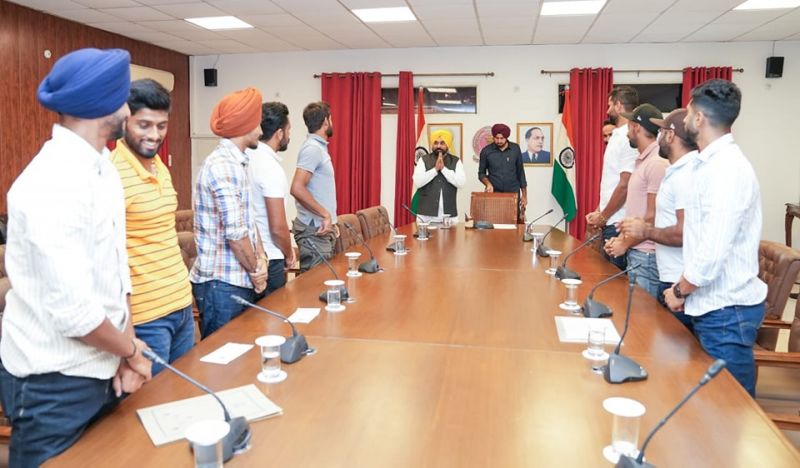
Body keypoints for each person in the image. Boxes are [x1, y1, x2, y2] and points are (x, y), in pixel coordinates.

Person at [0, 48, 152, 467]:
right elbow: (75, 314)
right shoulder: (50, 184)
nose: (126, 107)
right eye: (122, 97)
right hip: (53, 384)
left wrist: (127, 347)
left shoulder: (102, 167)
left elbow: (116, 274)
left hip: (103, 365)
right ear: (105, 104)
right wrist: (131, 352)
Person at [664, 79, 766, 397]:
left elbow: (712, 251)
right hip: (714, 306)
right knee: (710, 408)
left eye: (688, 113)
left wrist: (680, 290)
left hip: (726, 313)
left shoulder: (726, 170)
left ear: (699, 119)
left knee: (728, 407)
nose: (683, 121)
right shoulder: (708, 164)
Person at [110, 79, 194, 375]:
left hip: (182, 304)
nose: (154, 135)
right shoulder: (112, 174)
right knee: (151, 409)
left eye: (161, 126)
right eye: (144, 125)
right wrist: (126, 337)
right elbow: (110, 262)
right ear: (124, 121)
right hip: (147, 318)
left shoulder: (160, 166)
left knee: (182, 398)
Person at [191, 87, 268, 339]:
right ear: (246, 125)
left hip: (237, 279)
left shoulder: (238, 162)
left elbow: (248, 220)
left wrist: (261, 259)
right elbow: (235, 234)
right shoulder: (223, 166)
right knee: (221, 367)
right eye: (257, 122)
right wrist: (257, 272)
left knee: (241, 359)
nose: (261, 129)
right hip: (222, 285)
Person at [617, 108, 698, 330]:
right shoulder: (677, 170)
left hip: (679, 279)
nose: (658, 135)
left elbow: (683, 232)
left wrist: (643, 231)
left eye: (661, 131)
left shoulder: (684, 174)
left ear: (670, 135)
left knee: (659, 340)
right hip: (671, 274)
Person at [604, 104, 668, 299]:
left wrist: (624, 244)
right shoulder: (642, 161)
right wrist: (622, 239)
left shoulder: (656, 163)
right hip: (637, 251)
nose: (626, 132)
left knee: (643, 323)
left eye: (629, 126)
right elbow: (637, 213)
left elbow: (652, 217)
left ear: (636, 128)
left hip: (647, 256)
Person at [586, 86, 640, 269]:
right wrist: (599, 211)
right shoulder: (617, 136)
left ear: (618, 106)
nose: (607, 110)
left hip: (618, 222)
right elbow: (612, 182)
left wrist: (604, 216)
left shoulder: (627, 138)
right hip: (611, 219)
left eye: (610, 105)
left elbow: (625, 185)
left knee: (616, 284)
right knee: (607, 280)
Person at [248, 102, 296, 295]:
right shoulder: (270, 167)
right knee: (273, 322)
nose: (289, 135)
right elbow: (277, 227)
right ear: (279, 133)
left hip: (250, 257)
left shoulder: (246, 157)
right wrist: (289, 252)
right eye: (289, 130)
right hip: (270, 257)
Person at [290, 101, 338, 272]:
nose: (332, 122)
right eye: (331, 119)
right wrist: (325, 214)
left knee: (322, 286)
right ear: (326, 121)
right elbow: (297, 188)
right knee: (314, 289)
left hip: (320, 230)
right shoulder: (312, 149)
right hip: (314, 231)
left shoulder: (318, 148)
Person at [413, 129, 466, 223]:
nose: (438, 146)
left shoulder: (456, 161)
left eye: (442, 143)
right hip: (425, 216)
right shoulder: (423, 160)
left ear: (448, 145)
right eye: (436, 143)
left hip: (449, 216)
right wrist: (435, 170)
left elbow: (461, 183)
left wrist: (444, 169)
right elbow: (418, 182)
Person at [478, 123, 527, 221]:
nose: (499, 141)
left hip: (513, 193)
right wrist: (488, 184)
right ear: (493, 137)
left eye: (502, 138)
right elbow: (481, 173)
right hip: (494, 194)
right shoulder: (486, 151)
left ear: (507, 137)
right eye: (496, 138)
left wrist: (524, 196)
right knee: (494, 222)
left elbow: (520, 172)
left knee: (513, 223)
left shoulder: (515, 149)